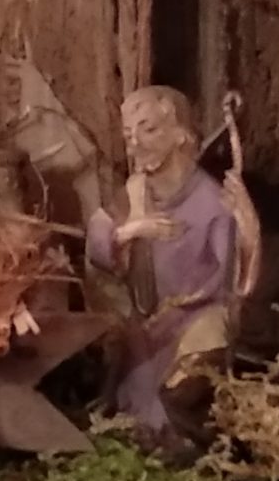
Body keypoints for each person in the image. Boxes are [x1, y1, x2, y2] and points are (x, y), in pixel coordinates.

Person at [85, 86, 255, 450]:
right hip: (145, 327)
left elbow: (228, 284)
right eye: (129, 135)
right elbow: (98, 240)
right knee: (127, 395)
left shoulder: (212, 203)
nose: (135, 145)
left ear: (180, 135)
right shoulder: (135, 193)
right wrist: (131, 231)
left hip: (189, 324)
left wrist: (247, 230)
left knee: (181, 389)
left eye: (148, 130)